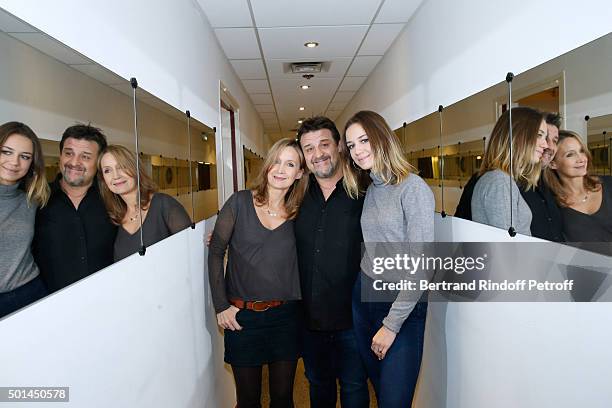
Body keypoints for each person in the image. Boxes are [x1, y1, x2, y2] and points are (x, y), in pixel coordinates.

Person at [342, 110, 434, 407]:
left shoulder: (413, 188)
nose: (357, 150)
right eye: (351, 145)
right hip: (365, 296)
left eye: (363, 140)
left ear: (382, 137)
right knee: (381, 390)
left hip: (403, 305)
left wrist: (392, 324)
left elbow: (423, 265)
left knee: (394, 399)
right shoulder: (372, 189)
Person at [208, 138, 307, 408]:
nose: (281, 169)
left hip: (286, 318)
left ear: (299, 173)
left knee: (283, 399)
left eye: (290, 164)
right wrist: (221, 305)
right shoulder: (239, 202)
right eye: (276, 161)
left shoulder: (301, 213)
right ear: (267, 165)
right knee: (249, 400)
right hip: (242, 318)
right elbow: (216, 251)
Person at [295, 117, 370, 407]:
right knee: (318, 388)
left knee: (354, 390)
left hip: (353, 319)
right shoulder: (296, 195)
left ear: (339, 146)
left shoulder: (365, 191)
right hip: (310, 320)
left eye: (324, 144)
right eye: (309, 148)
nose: (317, 154)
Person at [33, 124, 117, 292]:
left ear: (99, 163)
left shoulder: (114, 200)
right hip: (51, 306)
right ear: (60, 155)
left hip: (107, 299)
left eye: (85, 156)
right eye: (68, 153)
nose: (74, 162)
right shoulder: (36, 200)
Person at [97, 145, 191, 261]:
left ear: (135, 168)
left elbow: (191, 252)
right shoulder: (114, 220)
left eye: (121, 167)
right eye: (107, 170)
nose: (116, 176)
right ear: (103, 179)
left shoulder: (163, 204)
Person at [471, 107, 548, 235]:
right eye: (539, 135)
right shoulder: (500, 182)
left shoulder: (501, 180)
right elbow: (508, 248)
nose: (545, 145)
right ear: (517, 135)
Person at [0, 122, 50, 318]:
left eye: (25, 156)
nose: (14, 162)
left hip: (29, 292)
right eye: (6, 152)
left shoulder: (32, 200)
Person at [544, 130, 612, 241]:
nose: (581, 159)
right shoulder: (553, 206)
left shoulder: (609, 185)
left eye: (581, 151)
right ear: (552, 163)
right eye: (570, 154)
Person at [519, 112, 564, 241]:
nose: (548, 146)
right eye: (541, 137)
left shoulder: (553, 183)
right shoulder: (503, 181)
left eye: (554, 141)